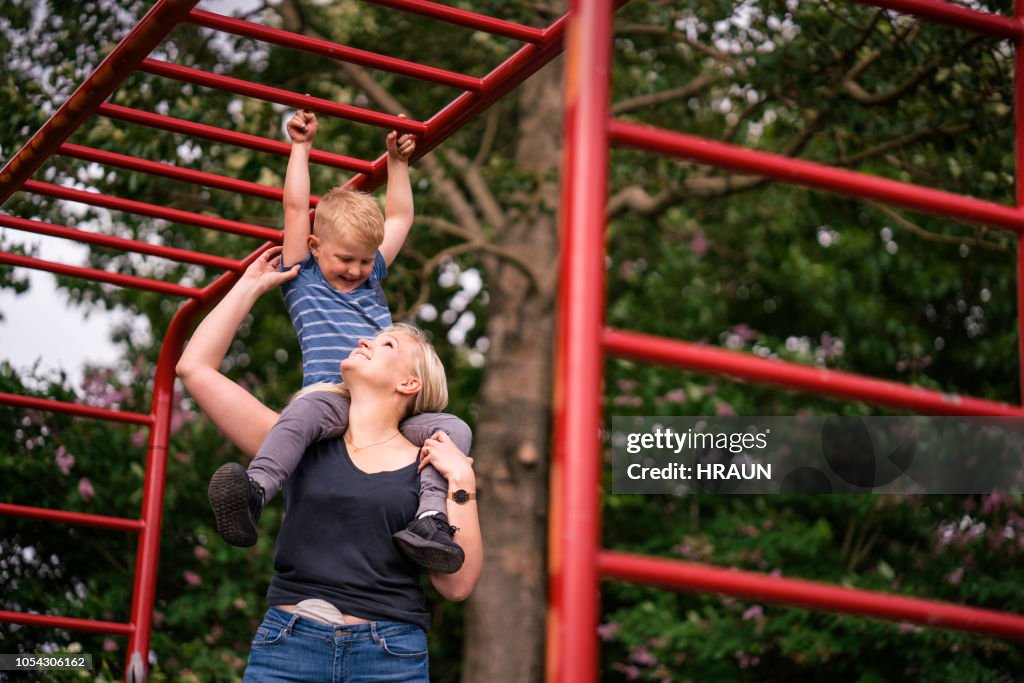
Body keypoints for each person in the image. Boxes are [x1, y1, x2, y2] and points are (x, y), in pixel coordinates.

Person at [176, 247, 482, 681]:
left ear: (409, 383)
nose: (363, 340)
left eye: (385, 343)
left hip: (389, 657)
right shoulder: (296, 441)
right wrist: (251, 285)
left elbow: (457, 586)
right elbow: (194, 368)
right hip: (289, 647)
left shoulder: (431, 461)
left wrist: (463, 481)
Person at [206, 109, 470, 573]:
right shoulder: (303, 276)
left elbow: (400, 217)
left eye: (365, 262)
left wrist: (398, 164)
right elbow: (294, 207)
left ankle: (431, 519)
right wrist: (301, 148)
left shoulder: (372, 279)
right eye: (345, 259)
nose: (355, 270)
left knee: (454, 429)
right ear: (313, 246)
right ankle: (256, 490)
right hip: (332, 396)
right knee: (299, 415)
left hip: (390, 407)